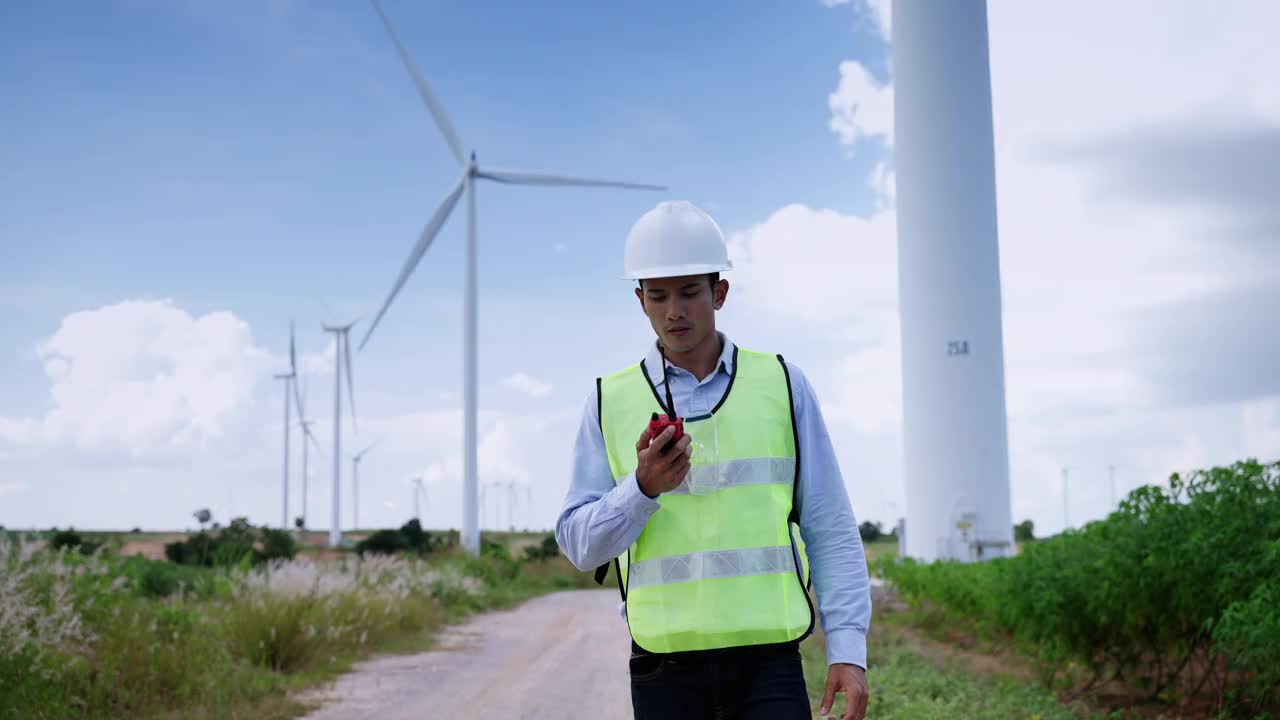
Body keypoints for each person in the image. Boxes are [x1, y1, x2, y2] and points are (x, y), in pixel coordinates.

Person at [556, 200, 872, 720]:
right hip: (665, 669)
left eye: (688, 293)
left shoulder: (783, 384)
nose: (673, 311)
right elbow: (580, 547)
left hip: (769, 662)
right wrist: (641, 489)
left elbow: (830, 525)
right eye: (657, 296)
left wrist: (848, 650)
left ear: (719, 292)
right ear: (640, 301)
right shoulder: (608, 401)